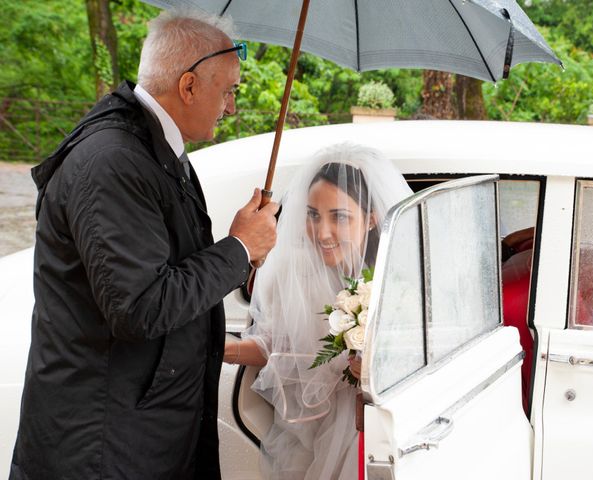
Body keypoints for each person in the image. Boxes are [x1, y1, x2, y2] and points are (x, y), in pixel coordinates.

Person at [10, 11, 278, 480]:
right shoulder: (112, 161)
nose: (231, 107)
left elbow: (166, 269)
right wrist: (236, 249)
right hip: (104, 444)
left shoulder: (152, 149)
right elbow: (140, 306)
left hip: (141, 428)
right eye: (228, 91)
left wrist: (241, 248)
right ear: (189, 86)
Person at [224, 144, 412, 479]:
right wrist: (217, 348)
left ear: (370, 218)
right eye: (312, 215)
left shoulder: (400, 276)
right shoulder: (296, 275)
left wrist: (373, 367)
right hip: (317, 429)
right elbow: (274, 345)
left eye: (338, 217)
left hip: (386, 428)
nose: (322, 233)